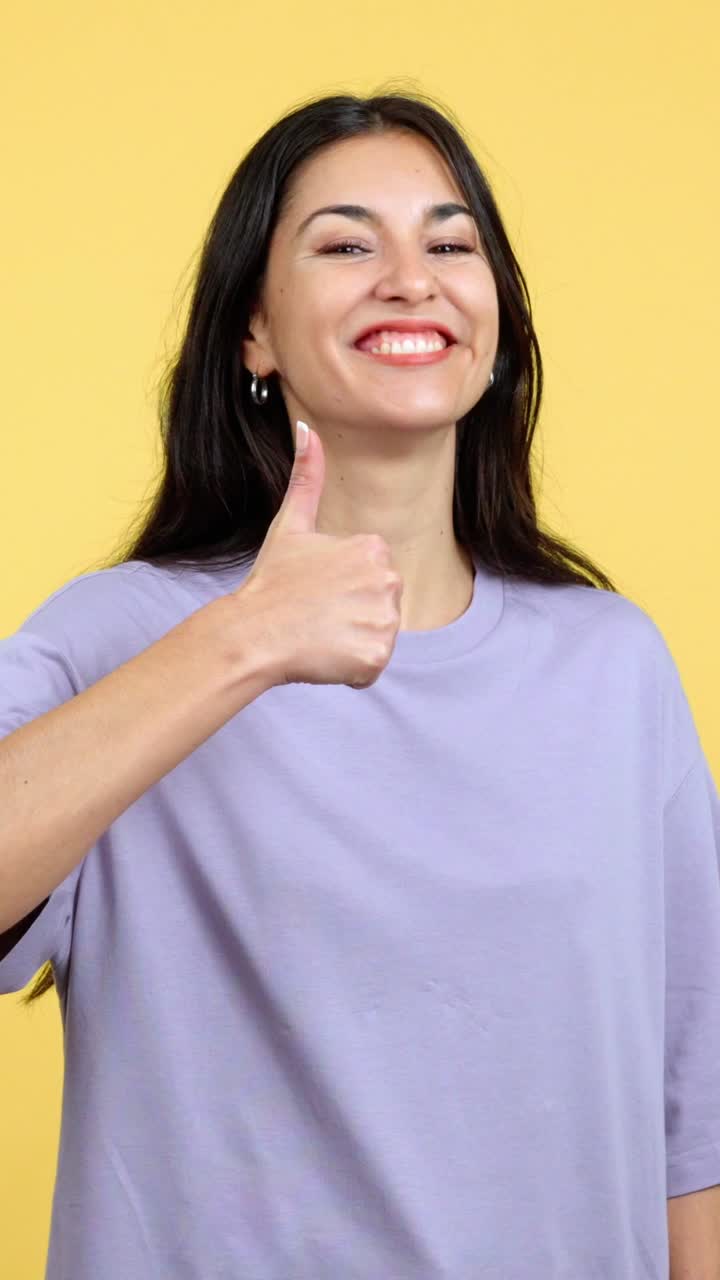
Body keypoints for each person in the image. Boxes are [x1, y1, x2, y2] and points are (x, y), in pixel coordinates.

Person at [1, 89, 718, 1280]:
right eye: (345, 243)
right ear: (254, 334)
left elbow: (696, 1103)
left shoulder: (614, 665)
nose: (412, 278)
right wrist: (244, 641)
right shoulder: (126, 634)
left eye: (451, 243)